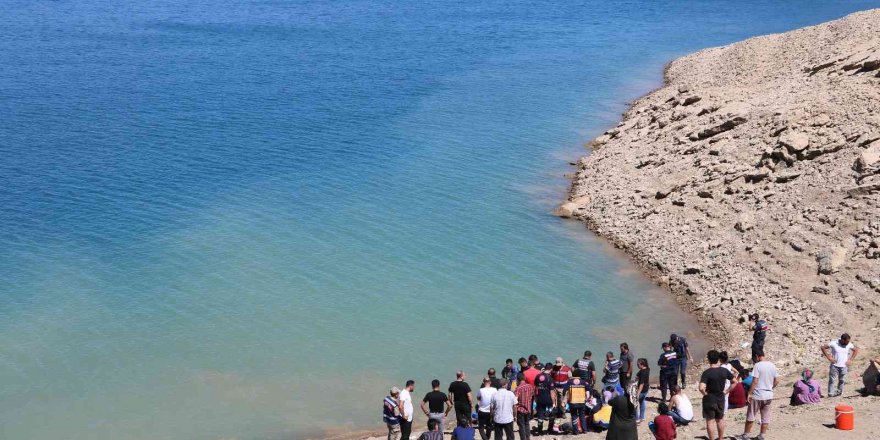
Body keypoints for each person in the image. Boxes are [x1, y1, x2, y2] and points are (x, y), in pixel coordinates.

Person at [736, 349, 778, 440]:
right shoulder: (772, 365)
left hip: (758, 395)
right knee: (765, 416)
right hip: (769, 395)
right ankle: (762, 435)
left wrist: (749, 393)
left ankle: (746, 435)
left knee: (751, 414)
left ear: (756, 356)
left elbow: (755, 381)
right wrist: (770, 388)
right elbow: (777, 380)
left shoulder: (757, 366)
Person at [699, 350, 733, 440]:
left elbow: (701, 387)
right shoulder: (724, 370)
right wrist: (727, 391)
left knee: (710, 421)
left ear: (708, 360)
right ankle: (721, 438)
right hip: (721, 396)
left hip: (710, 398)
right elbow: (735, 382)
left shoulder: (707, 373)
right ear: (718, 359)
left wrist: (705, 394)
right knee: (720, 419)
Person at [533, 363, 555, 434]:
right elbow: (552, 392)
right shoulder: (550, 378)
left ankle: (540, 430)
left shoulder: (538, 376)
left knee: (540, 415)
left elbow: (535, 388)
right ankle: (550, 429)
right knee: (551, 414)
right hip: (548, 399)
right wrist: (554, 402)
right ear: (551, 369)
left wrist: (536, 398)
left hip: (540, 398)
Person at [512, 372, 533, 440]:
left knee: (521, 426)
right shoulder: (530, 386)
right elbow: (532, 395)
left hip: (521, 410)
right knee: (527, 424)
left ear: (518, 379)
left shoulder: (518, 388)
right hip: (528, 409)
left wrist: (514, 414)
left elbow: (515, 401)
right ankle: (528, 438)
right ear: (524, 378)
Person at [635, 358, 651, 423]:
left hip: (641, 390)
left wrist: (638, 393)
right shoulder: (647, 369)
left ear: (641, 364)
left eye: (638, 364)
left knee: (635, 404)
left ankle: (637, 418)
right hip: (646, 389)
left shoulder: (642, 372)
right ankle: (642, 417)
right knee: (642, 402)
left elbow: (641, 384)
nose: (637, 365)